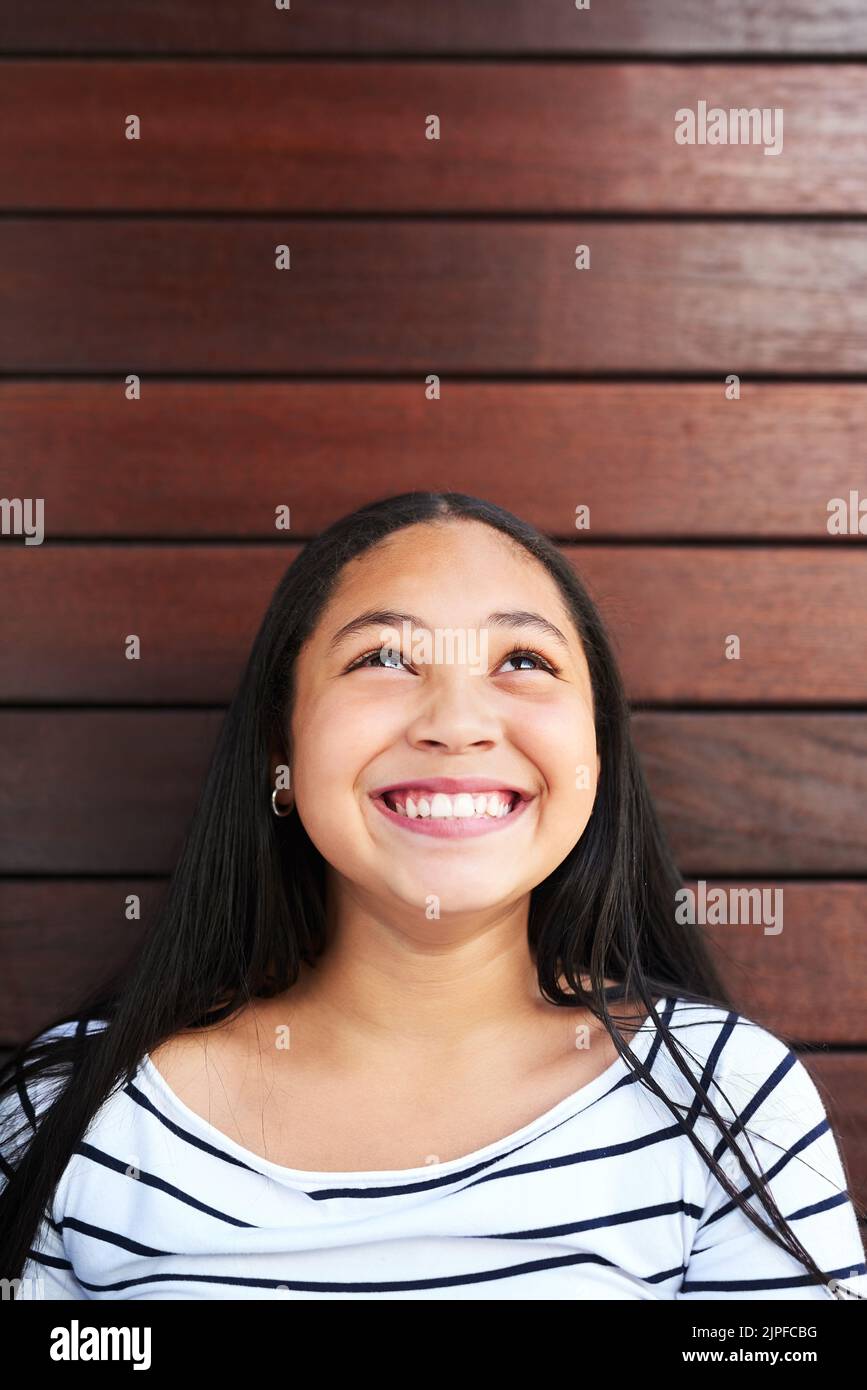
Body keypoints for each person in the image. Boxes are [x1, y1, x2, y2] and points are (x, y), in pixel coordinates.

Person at [1, 491, 864, 1300]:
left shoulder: (721, 1100)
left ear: (594, 758)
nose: (455, 722)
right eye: (383, 658)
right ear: (282, 750)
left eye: (523, 660)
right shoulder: (68, 1110)